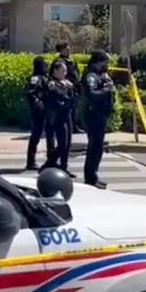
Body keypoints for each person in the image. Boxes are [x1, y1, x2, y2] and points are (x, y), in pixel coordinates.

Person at [81, 50, 115, 189]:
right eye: (105, 62)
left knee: (98, 148)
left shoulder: (102, 75)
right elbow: (91, 94)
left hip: (101, 115)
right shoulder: (91, 76)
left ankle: (94, 176)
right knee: (93, 147)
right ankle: (90, 178)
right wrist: (106, 90)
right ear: (98, 62)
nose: (107, 65)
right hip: (93, 115)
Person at [44, 61, 75, 176]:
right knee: (62, 143)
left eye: (65, 71)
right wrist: (64, 95)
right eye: (62, 71)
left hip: (67, 115)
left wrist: (70, 90)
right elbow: (55, 99)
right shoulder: (52, 84)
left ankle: (64, 166)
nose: (65, 73)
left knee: (68, 143)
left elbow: (73, 98)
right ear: (55, 71)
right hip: (58, 116)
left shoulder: (67, 83)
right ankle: (50, 162)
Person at [51, 43, 82, 135]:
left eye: (69, 49)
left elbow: (76, 72)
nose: (68, 51)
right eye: (66, 49)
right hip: (64, 86)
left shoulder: (72, 60)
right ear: (61, 50)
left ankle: (74, 125)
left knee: (75, 107)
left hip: (74, 87)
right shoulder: (59, 61)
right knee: (67, 107)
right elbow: (54, 74)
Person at [25, 57, 49, 170]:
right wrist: (38, 103)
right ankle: (30, 161)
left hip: (45, 110)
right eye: (44, 65)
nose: (46, 67)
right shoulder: (35, 78)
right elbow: (30, 93)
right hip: (38, 112)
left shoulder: (45, 77)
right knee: (36, 135)